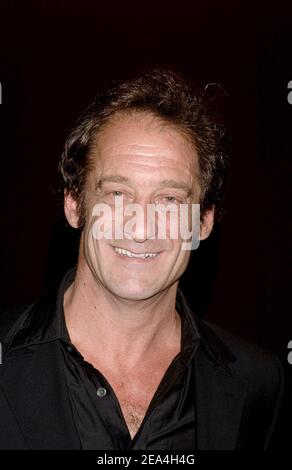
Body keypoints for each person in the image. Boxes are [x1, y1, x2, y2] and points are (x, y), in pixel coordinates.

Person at [0, 69, 285, 450]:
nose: (140, 229)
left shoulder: (260, 386)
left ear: (203, 222)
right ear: (74, 205)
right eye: (118, 194)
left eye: (169, 200)